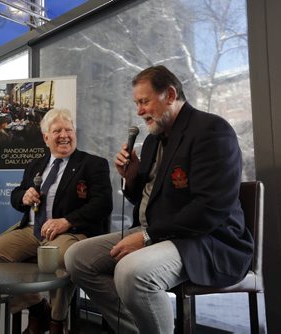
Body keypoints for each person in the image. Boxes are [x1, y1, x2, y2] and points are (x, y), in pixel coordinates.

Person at [64, 65, 254, 334]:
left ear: (170, 94)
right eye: (136, 103)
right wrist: (131, 178)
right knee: (77, 258)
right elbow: (146, 198)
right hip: (159, 234)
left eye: (144, 101)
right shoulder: (153, 141)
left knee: (131, 272)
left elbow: (210, 208)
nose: (139, 111)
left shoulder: (211, 130)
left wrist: (146, 236)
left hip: (208, 240)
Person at [0, 108, 113, 334]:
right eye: (57, 131)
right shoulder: (36, 164)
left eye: (68, 130)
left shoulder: (93, 164)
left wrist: (67, 221)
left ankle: (56, 320)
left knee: (63, 256)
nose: (64, 135)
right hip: (33, 229)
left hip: (70, 232)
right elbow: (17, 194)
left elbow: (103, 204)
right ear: (46, 137)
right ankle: (37, 308)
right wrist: (24, 197)